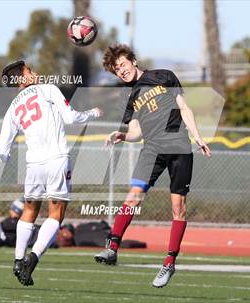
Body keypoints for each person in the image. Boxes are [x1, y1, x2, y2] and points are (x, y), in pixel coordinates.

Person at [94, 44, 211, 288]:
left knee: (178, 207)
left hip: (178, 146)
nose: (121, 71)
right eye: (116, 70)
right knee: (133, 197)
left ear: (133, 61)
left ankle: (169, 262)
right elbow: (136, 131)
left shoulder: (164, 75)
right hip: (152, 149)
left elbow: (184, 107)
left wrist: (198, 136)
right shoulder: (128, 96)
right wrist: (122, 135)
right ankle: (113, 247)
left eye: (123, 65)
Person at [0, 60, 102, 286]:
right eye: (29, 71)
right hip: (57, 159)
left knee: (29, 210)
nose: (35, 73)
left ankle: (17, 260)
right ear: (22, 79)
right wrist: (92, 113)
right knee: (56, 214)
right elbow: (71, 118)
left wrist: (7, 157)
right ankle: (32, 259)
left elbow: (1, 149)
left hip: (33, 164)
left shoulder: (13, 106)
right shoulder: (49, 89)